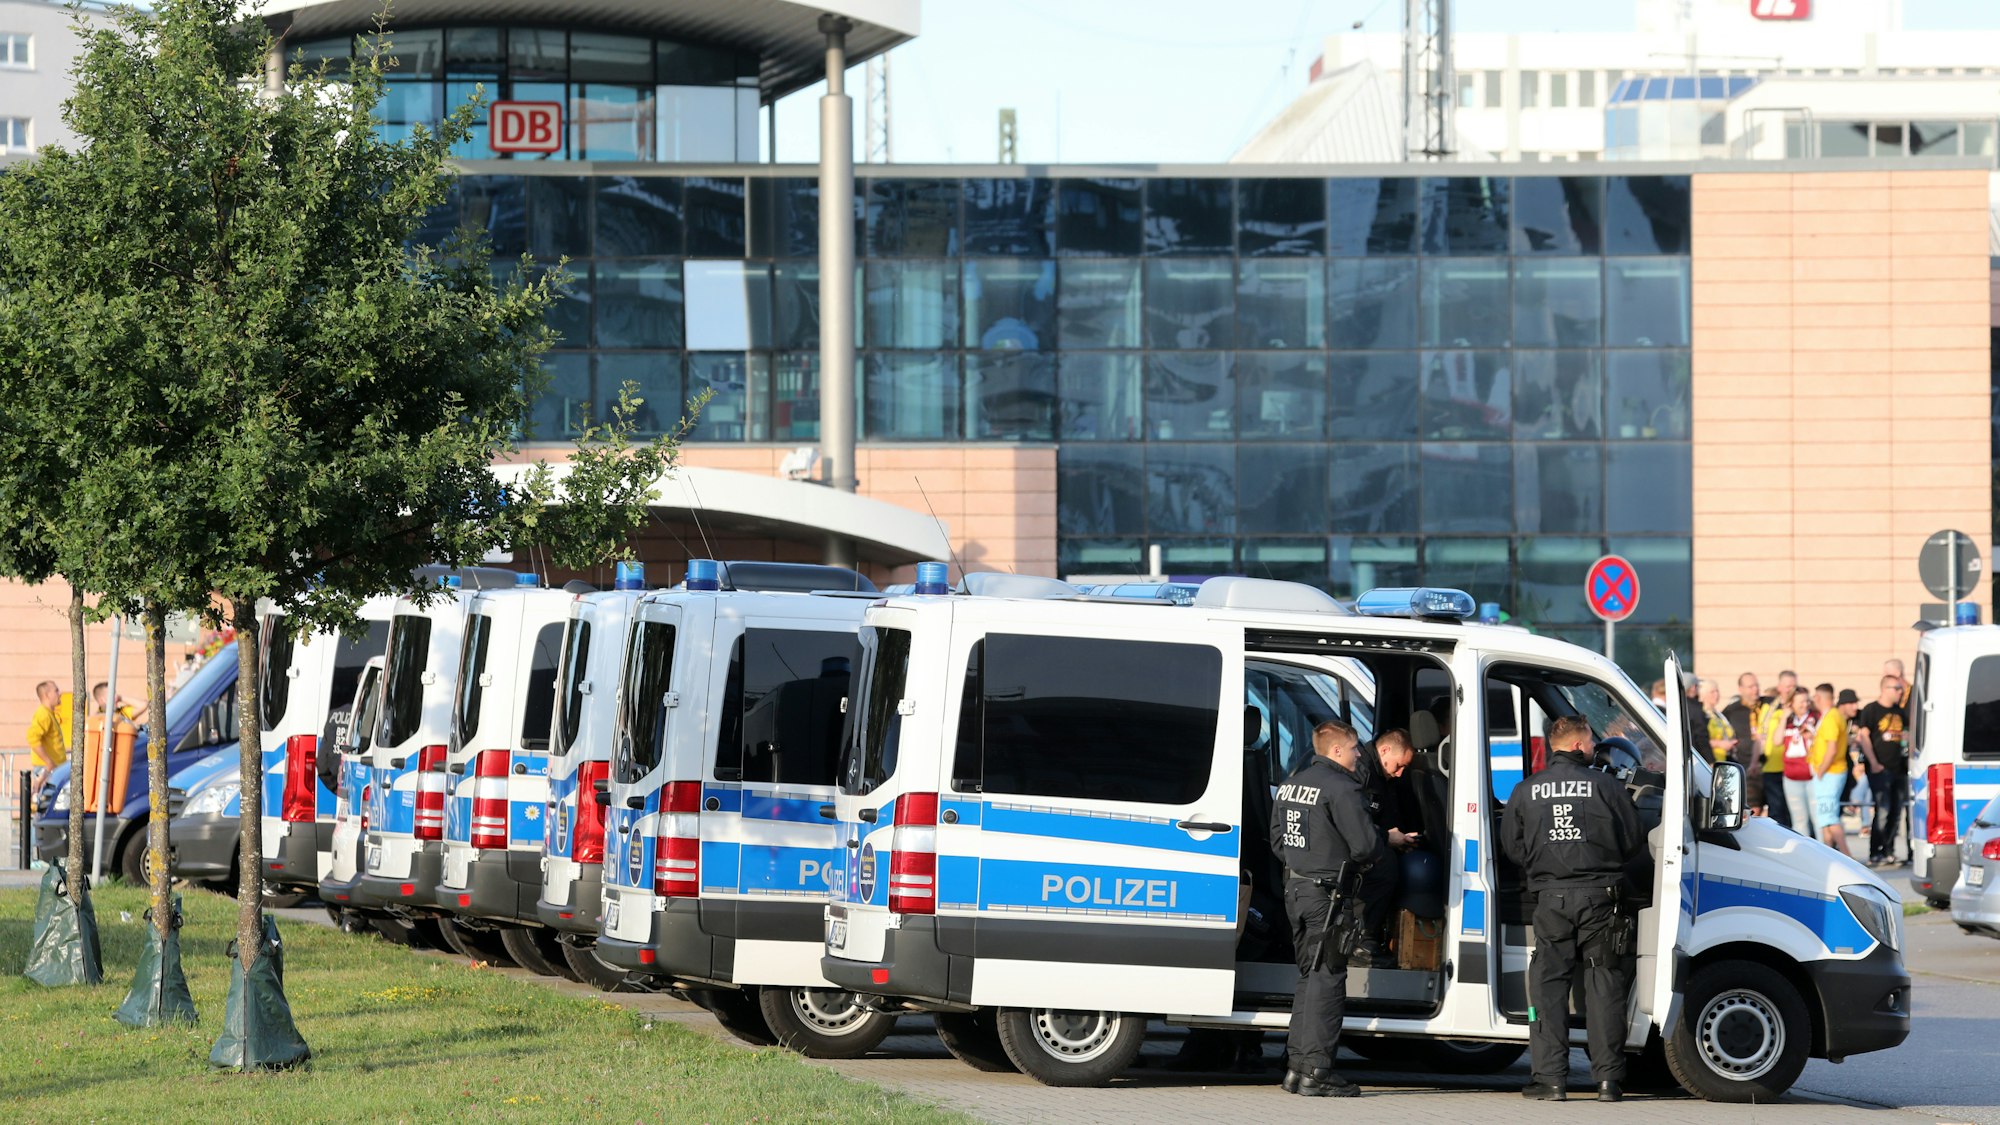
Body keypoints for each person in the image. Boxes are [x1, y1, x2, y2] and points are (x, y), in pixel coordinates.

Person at [1502, 716, 1645, 1102]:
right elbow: (1633, 840)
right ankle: (1608, 1082)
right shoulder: (1607, 787)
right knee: (1605, 985)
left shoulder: (1525, 790)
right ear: (1581, 745)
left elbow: (1512, 848)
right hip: (1602, 898)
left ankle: (1550, 1080)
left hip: (1550, 899)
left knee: (1547, 988)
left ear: (1555, 746)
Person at [1270, 719, 1385, 1098]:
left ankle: (1297, 1067)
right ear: (1337, 750)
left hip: (1297, 888)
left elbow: (1277, 841)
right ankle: (1318, 1071)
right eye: (1354, 749)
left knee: (1309, 977)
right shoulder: (1343, 788)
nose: (1358, 755)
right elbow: (1367, 846)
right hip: (1327, 895)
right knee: (1330, 979)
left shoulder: (1291, 785)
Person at [1854, 674, 1909, 866]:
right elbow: (1864, 737)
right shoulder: (1871, 710)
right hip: (1879, 769)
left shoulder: (1900, 712)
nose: (1900, 691)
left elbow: (1905, 736)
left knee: (1895, 812)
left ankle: (1888, 850)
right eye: (1896, 688)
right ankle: (1875, 851)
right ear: (1885, 689)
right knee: (1882, 811)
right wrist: (1874, 763)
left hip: (1899, 770)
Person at [1809, 684, 1850, 854]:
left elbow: (1832, 748)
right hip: (1827, 772)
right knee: (1825, 820)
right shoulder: (1829, 716)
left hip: (1830, 772)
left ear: (1819, 698)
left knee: (1830, 818)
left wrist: (1821, 770)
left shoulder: (1832, 717)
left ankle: (1848, 856)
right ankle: (1828, 854)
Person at [24, 679, 74, 808]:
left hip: (53, 769)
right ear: (47, 695)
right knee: (43, 807)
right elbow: (32, 739)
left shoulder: (49, 714)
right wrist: (49, 762)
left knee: (49, 806)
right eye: (56, 690)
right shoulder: (43, 714)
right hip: (46, 770)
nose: (60, 693)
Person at [1778, 688, 1818, 834]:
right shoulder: (1788, 721)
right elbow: (1777, 741)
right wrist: (1783, 717)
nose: (1804, 704)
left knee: (1817, 819)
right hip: (1791, 777)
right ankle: (1804, 855)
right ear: (1791, 704)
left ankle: (1822, 854)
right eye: (1800, 702)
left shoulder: (1815, 718)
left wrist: (1811, 736)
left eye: (1807, 701)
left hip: (1812, 776)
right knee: (1799, 821)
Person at [1723, 673, 1763, 807]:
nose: (1755, 689)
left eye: (1756, 685)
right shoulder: (1731, 710)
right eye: (1750, 687)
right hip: (1744, 765)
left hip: (1768, 766)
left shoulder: (1767, 704)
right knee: (1752, 808)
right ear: (1740, 689)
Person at [1756, 682, 1792, 825]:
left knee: (1791, 811)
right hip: (1771, 765)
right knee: (1776, 810)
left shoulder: (1796, 708)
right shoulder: (1769, 708)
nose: (1790, 689)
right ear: (1780, 688)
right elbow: (1761, 736)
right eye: (1788, 686)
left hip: (1791, 767)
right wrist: (1756, 761)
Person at [1699, 679, 1735, 764]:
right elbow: (1699, 740)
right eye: (1712, 692)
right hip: (1710, 761)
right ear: (1703, 695)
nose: (1716, 695)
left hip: (1724, 759)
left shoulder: (1718, 714)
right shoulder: (1702, 714)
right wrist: (1720, 744)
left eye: (1717, 691)